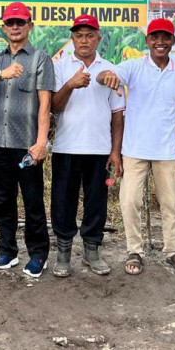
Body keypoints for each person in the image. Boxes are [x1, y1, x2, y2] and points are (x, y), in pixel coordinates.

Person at [98, 18, 175, 277]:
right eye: (155, 37)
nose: (160, 42)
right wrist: (107, 77)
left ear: (173, 41)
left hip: (167, 151)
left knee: (171, 203)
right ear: (147, 41)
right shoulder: (134, 67)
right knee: (130, 202)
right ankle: (135, 251)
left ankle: (172, 250)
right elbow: (104, 75)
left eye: (165, 38)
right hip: (134, 149)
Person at [0, 2, 53, 278]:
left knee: (32, 201)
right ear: (4, 27)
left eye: (20, 23)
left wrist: (42, 141)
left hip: (27, 146)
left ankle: (38, 254)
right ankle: (7, 251)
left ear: (30, 25)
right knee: (3, 200)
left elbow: (45, 105)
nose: (15, 28)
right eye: (10, 23)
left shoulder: (40, 58)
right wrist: (1, 75)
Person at [50, 14, 124, 277]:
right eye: (79, 35)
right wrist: (70, 85)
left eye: (89, 35)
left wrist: (115, 151)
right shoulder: (59, 67)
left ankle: (92, 252)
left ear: (98, 38)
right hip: (66, 147)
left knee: (96, 202)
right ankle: (63, 254)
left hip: (99, 149)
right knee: (62, 201)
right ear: (72, 38)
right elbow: (53, 107)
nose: (84, 40)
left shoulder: (110, 68)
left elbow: (117, 113)